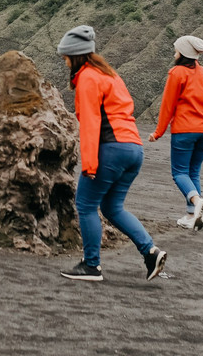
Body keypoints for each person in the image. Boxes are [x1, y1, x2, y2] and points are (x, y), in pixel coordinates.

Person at [57, 25, 166, 282]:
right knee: (112, 207)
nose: (64, 62)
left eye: (65, 57)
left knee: (85, 204)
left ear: (77, 56)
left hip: (110, 149)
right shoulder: (110, 75)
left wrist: (90, 165)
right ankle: (150, 252)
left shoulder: (87, 78)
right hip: (134, 149)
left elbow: (92, 122)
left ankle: (91, 266)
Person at [147, 35, 203, 231]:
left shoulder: (176, 73)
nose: (174, 53)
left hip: (185, 131)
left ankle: (196, 201)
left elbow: (168, 106)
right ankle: (191, 215)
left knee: (179, 172)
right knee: (193, 172)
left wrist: (158, 132)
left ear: (183, 53)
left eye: (176, 50)